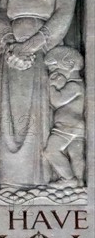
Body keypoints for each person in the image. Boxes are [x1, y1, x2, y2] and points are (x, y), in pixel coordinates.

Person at [0, 0, 77, 188]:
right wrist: (8, 42)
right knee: (9, 115)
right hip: (11, 52)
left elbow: (64, 12)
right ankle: (7, 179)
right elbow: (3, 11)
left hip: (40, 53)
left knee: (35, 114)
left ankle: (35, 178)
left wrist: (31, 46)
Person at [43, 46, 85, 188]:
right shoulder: (77, 85)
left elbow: (56, 100)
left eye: (55, 70)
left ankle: (68, 178)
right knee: (75, 154)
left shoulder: (74, 85)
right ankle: (79, 181)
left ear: (69, 65)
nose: (52, 74)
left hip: (66, 127)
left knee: (51, 151)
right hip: (75, 127)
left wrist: (51, 85)